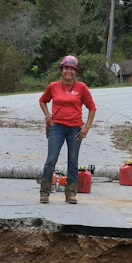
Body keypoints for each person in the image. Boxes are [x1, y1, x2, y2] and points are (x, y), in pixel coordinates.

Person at [38, 55, 97, 204]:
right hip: (56, 127)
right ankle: (44, 192)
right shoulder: (53, 86)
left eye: (72, 69)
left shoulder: (81, 88)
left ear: (75, 71)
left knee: (73, 160)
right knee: (51, 160)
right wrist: (47, 116)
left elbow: (92, 108)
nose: (68, 71)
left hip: (75, 129)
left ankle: (70, 193)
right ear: (61, 70)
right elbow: (43, 101)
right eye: (66, 68)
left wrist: (86, 127)